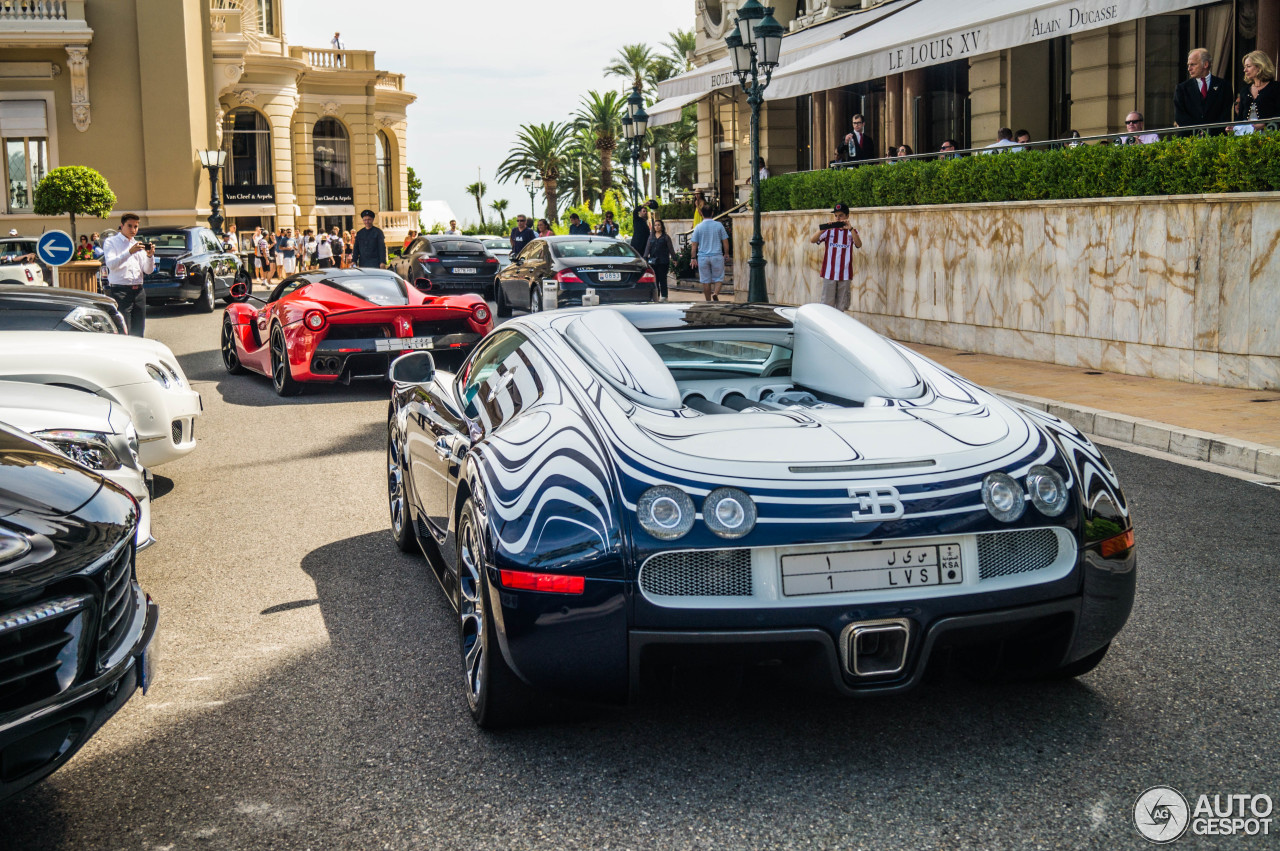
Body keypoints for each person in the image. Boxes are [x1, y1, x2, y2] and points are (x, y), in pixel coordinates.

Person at [102, 213, 155, 337]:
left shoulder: (137, 244)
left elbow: (148, 270)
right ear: (122, 226)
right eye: (130, 226)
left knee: (138, 331)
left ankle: (138, 355)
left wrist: (150, 256)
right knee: (124, 330)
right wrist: (129, 252)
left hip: (139, 292)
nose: (133, 230)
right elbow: (111, 264)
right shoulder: (111, 242)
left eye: (136, 226)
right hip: (121, 291)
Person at [808, 202, 863, 312]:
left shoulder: (852, 232)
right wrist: (822, 229)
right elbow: (813, 240)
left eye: (841, 215)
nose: (838, 218)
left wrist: (850, 229)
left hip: (845, 274)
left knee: (841, 306)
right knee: (826, 306)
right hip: (829, 274)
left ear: (847, 216)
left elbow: (858, 244)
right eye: (836, 216)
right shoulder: (829, 230)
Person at [1174, 48, 1232, 130]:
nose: (1189, 69)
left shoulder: (1224, 86)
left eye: (1193, 64)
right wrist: (1199, 131)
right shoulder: (1182, 89)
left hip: (1216, 138)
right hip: (1189, 139)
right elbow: (1180, 117)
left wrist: (1209, 132)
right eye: (1188, 65)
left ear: (1205, 64)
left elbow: (1225, 115)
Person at [1234, 50, 1280, 133]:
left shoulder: (1275, 87)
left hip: (1270, 135)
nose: (1245, 70)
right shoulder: (1245, 90)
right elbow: (1240, 117)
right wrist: (1233, 127)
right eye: (1245, 67)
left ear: (1259, 67)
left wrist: (1264, 123)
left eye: (1248, 66)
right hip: (1247, 136)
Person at [689, 213, 729, 302]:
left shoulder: (698, 227)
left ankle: (708, 301)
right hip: (716, 255)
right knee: (719, 277)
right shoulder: (719, 225)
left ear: (702, 214)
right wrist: (726, 253)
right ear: (712, 213)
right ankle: (715, 293)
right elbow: (725, 241)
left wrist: (693, 258)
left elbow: (694, 244)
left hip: (703, 257)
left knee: (705, 280)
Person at [644, 218, 675, 302]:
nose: (657, 227)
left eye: (658, 225)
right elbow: (647, 248)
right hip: (654, 262)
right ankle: (656, 296)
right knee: (655, 280)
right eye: (655, 225)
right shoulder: (651, 237)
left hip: (663, 261)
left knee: (662, 279)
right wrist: (645, 258)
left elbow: (671, 249)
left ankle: (664, 296)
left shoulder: (666, 237)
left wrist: (674, 258)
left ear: (662, 227)